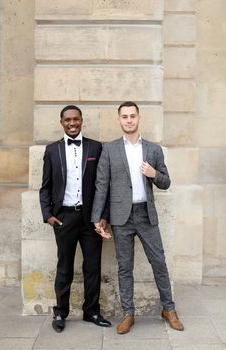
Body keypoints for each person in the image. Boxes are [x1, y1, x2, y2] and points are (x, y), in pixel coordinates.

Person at [91, 101, 184, 334]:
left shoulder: (153, 149)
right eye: (125, 116)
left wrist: (154, 174)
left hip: (145, 214)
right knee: (124, 267)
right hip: (120, 217)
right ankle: (128, 313)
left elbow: (166, 181)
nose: (129, 120)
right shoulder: (109, 149)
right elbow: (102, 185)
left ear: (139, 118)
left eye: (133, 116)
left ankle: (169, 309)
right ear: (119, 120)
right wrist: (97, 217)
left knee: (159, 262)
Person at [39, 105, 111, 332]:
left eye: (76, 119)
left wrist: (102, 216)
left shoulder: (95, 147)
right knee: (64, 267)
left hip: (91, 219)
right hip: (64, 218)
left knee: (92, 267)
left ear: (82, 120)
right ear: (62, 122)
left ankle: (92, 311)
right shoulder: (52, 150)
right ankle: (60, 313)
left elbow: (104, 186)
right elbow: (45, 187)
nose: (72, 123)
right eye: (67, 120)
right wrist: (48, 215)